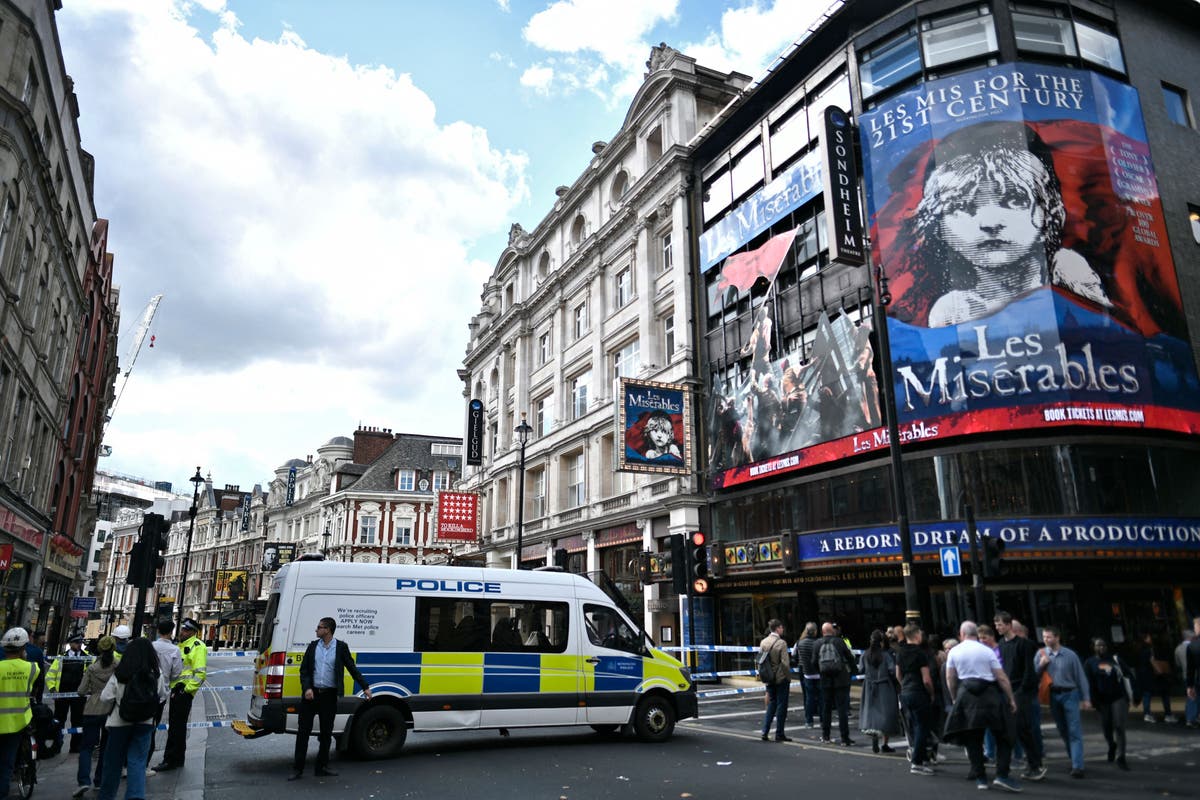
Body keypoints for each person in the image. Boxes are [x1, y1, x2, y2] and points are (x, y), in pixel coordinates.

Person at [896, 121, 1111, 328]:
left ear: (1048, 210)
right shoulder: (952, 310)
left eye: (1014, 199)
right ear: (938, 225)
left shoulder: (1070, 273)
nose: (990, 223)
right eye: (963, 205)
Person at [291, 617, 372, 780]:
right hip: (311, 695)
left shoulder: (341, 647)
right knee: (303, 732)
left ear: (327, 630)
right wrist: (307, 688)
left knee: (326, 733)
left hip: (329, 696)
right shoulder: (313, 646)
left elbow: (352, 668)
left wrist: (365, 687)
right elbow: (304, 670)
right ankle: (297, 769)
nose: (316, 630)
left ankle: (321, 767)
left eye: (319, 627)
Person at [943, 621, 1020, 793]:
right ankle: (1002, 775)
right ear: (976, 634)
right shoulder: (987, 651)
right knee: (1004, 735)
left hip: (966, 695)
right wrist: (1011, 699)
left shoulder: (954, 651)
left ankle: (981, 778)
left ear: (962, 634)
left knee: (973, 739)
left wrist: (955, 698)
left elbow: (950, 678)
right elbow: (1001, 677)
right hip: (990, 694)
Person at [98, 638, 167, 800]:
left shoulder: (121, 672)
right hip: (145, 722)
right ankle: (135, 796)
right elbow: (162, 695)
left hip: (119, 722)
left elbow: (105, 697)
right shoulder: (156, 673)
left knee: (113, 763)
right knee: (137, 763)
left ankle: (107, 796)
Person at [994, 612, 1045, 781]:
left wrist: (1021, 692)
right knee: (1018, 729)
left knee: (1023, 728)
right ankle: (1033, 764)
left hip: (1021, 691)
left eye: (1000, 624)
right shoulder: (1001, 644)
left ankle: (1035, 764)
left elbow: (1029, 671)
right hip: (1008, 690)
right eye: (996, 625)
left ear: (1009, 625)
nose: (998, 627)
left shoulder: (1025, 644)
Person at [1037, 624, 1091, 778]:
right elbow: (1034, 675)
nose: (1045, 640)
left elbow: (1080, 677)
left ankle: (1077, 766)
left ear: (1057, 637)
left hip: (1070, 694)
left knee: (1074, 730)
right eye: (1044, 637)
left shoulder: (1070, 655)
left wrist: (1086, 698)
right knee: (1062, 729)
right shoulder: (1040, 654)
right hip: (1053, 695)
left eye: (1049, 637)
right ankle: (1074, 758)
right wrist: (1041, 665)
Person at [155, 618, 207, 772]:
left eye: (185, 630)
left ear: (193, 632)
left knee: (176, 727)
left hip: (183, 692)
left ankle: (170, 760)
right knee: (176, 726)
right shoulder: (180, 645)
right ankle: (177, 759)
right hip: (176, 690)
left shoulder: (198, 646)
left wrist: (187, 691)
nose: (182, 632)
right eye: (182, 629)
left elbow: (200, 673)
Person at [74, 635, 118, 797]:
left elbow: (81, 691)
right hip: (110, 710)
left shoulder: (92, 668)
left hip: (92, 709)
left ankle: (83, 781)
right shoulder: (117, 666)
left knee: (86, 747)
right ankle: (99, 780)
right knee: (106, 747)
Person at [0, 628, 38, 800]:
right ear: (23, 648)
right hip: (18, 722)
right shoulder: (32, 668)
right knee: (7, 762)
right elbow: (35, 687)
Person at [1084, 638, 1131, 771]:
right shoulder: (1089, 663)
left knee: (1119, 726)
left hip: (1118, 696)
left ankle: (1121, 757)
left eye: (1104, 645)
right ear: (1093, 647)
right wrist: (1090, 699)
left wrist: (1134, 694)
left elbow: (1128, 675)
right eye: (1098, 645)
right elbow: (1088, 682)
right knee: (1106, 727)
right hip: (1101, 700)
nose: (1102, 648)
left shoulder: (1115, 660)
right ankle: (1111, 744)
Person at [895, 623, 935, 775]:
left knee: (914, 726)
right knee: (922, 728)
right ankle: (917, 762)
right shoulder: (920, 653)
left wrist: (904, 686)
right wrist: (931, 693)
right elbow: (926, 679)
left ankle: (922, 758)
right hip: (918, 692)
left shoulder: (900, 652)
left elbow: (898, 675)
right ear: (917, 635)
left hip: (906, 693)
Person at [47, 633, 92, 754]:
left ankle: (75, 746)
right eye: (76, 642)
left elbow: (91, 676)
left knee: (77, 721)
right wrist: (53, 689)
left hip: (79, 695)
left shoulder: (87, 658)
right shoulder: (61, 658)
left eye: (80, 642)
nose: (79, 645)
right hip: (62, 694)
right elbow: (50, 675)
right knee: (58, 721)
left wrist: (88, 690)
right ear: (70, 643)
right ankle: (57, 745)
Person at [148, 620, 183, 771]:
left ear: (158, 631)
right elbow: (177, 673)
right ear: (171, 632)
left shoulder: (150, 646)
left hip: (145, 689)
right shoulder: (175, 650)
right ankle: (145, 765)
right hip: (161, 693)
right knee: (153, 726)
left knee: (143, 726)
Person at [858, 629, 900, 753]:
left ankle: (874, 737)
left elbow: (861, 669)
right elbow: (892, 671)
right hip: (885, 686)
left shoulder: (865, 655)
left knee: (872, 713)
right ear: (881, 642)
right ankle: (885, 743)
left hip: (869, 686)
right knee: (886, 714)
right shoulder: (886, 656)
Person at [817, 621, 856, 746]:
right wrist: (852, 672)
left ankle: (826, 736)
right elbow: (850, 658)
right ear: (832, 631)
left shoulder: (817, 643)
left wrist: (821, 672)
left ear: (823, 631)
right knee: (842, 710)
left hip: (825, 681)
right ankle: (845, 738)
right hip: (841, 679)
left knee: (826, 709)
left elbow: (813, 662)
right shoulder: (839, 642)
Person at [758, 619, 791, 742]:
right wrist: (788, 677)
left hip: (769, 677)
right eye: (781, 627)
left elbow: (760, 660)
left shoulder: (763, 642)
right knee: (782, 705)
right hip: (780, 678)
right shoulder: (781, 643)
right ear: (777, 628)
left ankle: (765, 731)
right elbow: (785, 663)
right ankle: (779, 733)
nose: (782, 629)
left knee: (772, 704)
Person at [1137, 630, 1175, 723]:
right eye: (1149, 637)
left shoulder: (1139, 649)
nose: (1151, 639)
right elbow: (1152, 661)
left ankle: (1147, 714)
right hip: (1152, 674)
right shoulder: (1150, 650)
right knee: (1164, 693)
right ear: (1145, 639)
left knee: (1147, 694)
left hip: (1143, 674)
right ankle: (1168, 714)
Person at [792, 622, 822, 728]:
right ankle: (823, 720)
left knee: (808, 697)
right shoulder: (819, 643)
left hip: (807, 673)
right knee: (821, 698)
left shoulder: (800, 643)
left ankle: (809, 721)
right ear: (815, 631)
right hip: (818, 674)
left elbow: (794, 655)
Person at [24, 629, 47, 704]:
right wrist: (39, 699)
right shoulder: (36, 651)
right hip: (29, 690)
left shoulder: (4, 650)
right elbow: (40, 676)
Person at [1186, 616, 1200, 730]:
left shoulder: (1192, 646)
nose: (1194, 629)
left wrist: (1189, 686)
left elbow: (1190, 669)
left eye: (1195, 626)